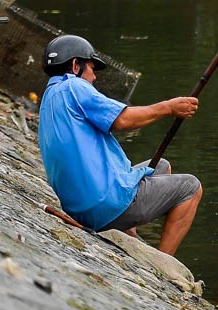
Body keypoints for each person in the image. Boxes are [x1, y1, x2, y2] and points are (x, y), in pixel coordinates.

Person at [38, 34, 202, 255]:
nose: (94, 77)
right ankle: (164, 264)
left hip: (80, 206)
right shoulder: (73, 87)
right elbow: (123, 120)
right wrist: (168, 108)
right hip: (103, 204)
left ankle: (128, 230)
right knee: (191, 188)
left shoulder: (50, 97)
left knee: (161, 166)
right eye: (92, 69)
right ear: (76, 65)